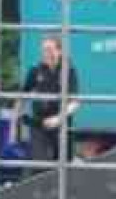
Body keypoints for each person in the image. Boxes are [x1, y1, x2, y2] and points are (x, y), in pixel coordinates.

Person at [23, 32, 80, 167]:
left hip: (60, 124)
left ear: (59, 51)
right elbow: (21, 96)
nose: (46, 54)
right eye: (43, 50)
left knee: (63, 164)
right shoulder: (36, 70)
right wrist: (15, 125)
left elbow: (75, 102)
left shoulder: (68, 71)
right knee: (39, 164)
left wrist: (58, 118)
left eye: (49, 50)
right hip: (39, 123)